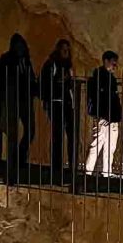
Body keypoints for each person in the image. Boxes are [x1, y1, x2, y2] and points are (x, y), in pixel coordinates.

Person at [0, 33, 37, 183]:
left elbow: (31, 78)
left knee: (30, 130)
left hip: (25, 100)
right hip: (12, 99)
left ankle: (18, 157)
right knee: (12, 134)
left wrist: (35, 90)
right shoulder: (6, 60)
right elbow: (1, 79)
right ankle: (12, 163)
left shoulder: (26, 61)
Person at [41, 39, 78, 181]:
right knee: (57, 136)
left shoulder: (68, 65)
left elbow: (71, 84)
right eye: (64, 50)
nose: (66, 52)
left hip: (67, 103)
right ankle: (57, 166)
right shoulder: (51, 65)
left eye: (67, 50)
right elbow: (46, 84)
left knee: (71, 135)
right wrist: (58, 83)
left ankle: (71, 165)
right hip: (56, 103)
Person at [85, 50, 123, 177]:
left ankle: (105, 172)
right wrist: (105, 114)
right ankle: (88, 171)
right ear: (106, 61)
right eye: (113, 63)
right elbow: (100, 99)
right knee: (98, 144)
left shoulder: (109, 78)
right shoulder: (99, 78)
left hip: (110, 117)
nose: (115, 66)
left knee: (109, 147)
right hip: (104, 117)